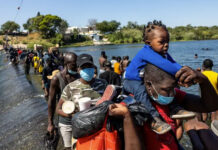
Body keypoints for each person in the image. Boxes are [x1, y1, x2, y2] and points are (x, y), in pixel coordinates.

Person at [123, 20, 194, 134]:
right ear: (148, 43)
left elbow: (174, 64)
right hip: (132, 81)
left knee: (170, 85)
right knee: (141, 92)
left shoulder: (162, 52)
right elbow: (167, 66)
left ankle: (175, 108)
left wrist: (185, 72)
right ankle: (154, 119)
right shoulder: (146, 52)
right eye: (161, 42)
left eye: (167, 41)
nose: (166, 45)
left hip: (145, 79)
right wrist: (185, 75)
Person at [136, 63, 218, 150]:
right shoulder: (135, 105)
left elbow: (210, 106)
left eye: (173, 88)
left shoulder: (174, 97)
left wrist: (203, 81)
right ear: (149, 85)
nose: (171, 94)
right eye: (167, 90)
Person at [56, 54, 107, 149]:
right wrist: (73, 115)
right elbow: (58, 109)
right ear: (78, 69)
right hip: (79, 129)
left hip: (98, 129)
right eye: (84, 67)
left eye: (89, 66)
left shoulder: (103, 84)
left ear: (93, 67)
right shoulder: (70, 88)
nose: (87, 69)